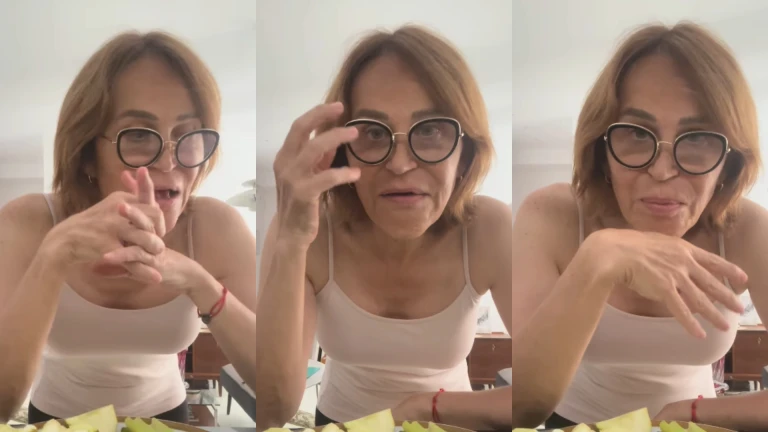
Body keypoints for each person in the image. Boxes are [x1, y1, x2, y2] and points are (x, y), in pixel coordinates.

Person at [511, 22, 768, 431]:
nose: (662, 171)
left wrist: (688, 412)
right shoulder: (551, 216)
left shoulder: (747, 229)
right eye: (635, 133)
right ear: (602, 149)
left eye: (697, 138)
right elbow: (524, 405)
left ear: (729, 162)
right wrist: (599, 257)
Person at [254, 25, 512, 431]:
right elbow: (273, 409)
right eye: (374, 133)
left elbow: (544, 392)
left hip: (448, 421)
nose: (400, 164)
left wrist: (425, 406)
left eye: (430, 130)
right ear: (343, 151)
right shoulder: (307, 231)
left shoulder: (491, 229)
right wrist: (290, 242)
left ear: (465, 153)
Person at [0, 31, 257, 423]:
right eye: (138, 135)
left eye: (187, 134)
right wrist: (53, 258)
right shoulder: (27, 223)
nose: (169, 163)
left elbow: (272, 386)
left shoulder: (217, 229)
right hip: (55, 420)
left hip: (166, 418)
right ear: (87, 154)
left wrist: (197, 281)